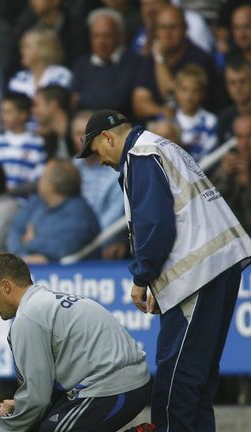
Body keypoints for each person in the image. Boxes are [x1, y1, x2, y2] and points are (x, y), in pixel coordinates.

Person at [78, 109, 251, 430]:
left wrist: (143, 278)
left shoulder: (140, 154)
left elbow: (155, 224)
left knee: (176, 383)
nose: (98, 160)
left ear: (107, 137)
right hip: (219, 265)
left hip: (197, 274)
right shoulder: (162, 146)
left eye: (95, 152)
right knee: (198, 380)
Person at [0, 253, 151, 431]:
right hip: (130, 383)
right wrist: (20, 406)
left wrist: (1, 428)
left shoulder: (28, 318)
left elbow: (37, 399)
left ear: (6, 286)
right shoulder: (47, 301)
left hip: (114, 389)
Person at [131, 5, 216, 121]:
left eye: (173, 27)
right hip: (160, 126)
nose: (167, 33)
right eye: (162, 27)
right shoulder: (150, 57)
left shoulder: (199, 58)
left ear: (185, 28)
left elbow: (178, 100)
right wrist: (162, 112)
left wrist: (160, 60)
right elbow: (139, 103)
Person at [6, 160, 100, 263]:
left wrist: (30, 242)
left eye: (42, 177)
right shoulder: (36, 201)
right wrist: (22, 257)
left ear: (51, 187)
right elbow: (15, 228)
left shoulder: (80, 214)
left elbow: (63, 248)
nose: (38, 181)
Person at [70, 111, 127, 260]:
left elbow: (115, 213)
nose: (82, 140)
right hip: (74, 241)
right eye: (77, 134)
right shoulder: (69, 168)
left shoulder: (115, 169)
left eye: (86, 134)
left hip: (105, 243)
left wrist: (87, 236)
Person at [71, 8, 140, 117]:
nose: (101, 41)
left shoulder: (134, 63)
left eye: (106, 35)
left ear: (119, 35)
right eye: (96, 36)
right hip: (86, 125)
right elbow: (73, 102)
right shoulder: (82, 64)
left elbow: (119, 100)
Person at [0, 93, 46, 191]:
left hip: (24, 200)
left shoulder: (38, 143)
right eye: (2, 111)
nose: (2, 116)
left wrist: (14, 190)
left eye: (8, 112)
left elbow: (38, 177)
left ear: (23, 115)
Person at [211, 114, 251, 232]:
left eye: (249, 136)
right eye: (239, 137)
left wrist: (247, 183)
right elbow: (211, 206)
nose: (243, 144)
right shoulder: (232, 160)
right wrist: (223, 174)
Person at [8, 28, 73, 100]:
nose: (21, 51)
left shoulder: (60, 75)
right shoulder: (19, 78)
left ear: (43, 50)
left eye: (27, 47)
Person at [172, 65, 217, 161]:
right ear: (176, 91)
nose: (189, 96)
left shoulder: (211, 122)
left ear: (203, 93)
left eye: (195, 91)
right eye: (184, 90)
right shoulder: (168, 120)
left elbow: (210, 156)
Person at [217, 58, 251, 144]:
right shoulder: (224, 118)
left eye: (242, 81)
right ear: (226, 86)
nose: (238, 88)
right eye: (232, 83)